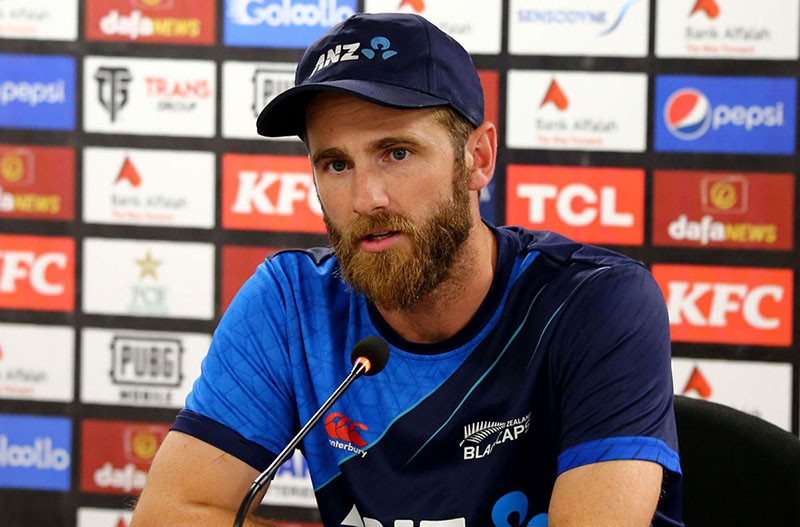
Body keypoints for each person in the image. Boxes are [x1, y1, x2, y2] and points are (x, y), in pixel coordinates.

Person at [132, 13, 683, 527]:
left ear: (478, 159)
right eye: (337, 164)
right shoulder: (290, 304)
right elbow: (174, 512)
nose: (365, 198)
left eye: (396, 152)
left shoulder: (594, 301)